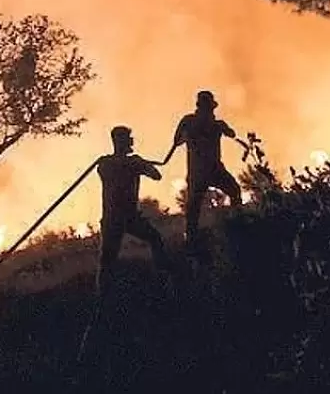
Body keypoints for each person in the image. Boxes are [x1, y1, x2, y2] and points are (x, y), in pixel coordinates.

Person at [89, 125, 171, 290]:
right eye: (128, 138)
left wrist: (140, 164)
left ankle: (162, 276)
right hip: (118, 218)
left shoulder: (109, 163)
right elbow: (156, 175)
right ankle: (105, 295)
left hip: (125, 217)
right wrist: (138, 164)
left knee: (109, 260)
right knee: (108, 260)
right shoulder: (108, 164)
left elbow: (156, 175)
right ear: (120, 141)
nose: (131, 141)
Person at [162, 90, 243, 247]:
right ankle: (195, 237)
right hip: (204, 171)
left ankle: (233, 225)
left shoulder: (198, 122)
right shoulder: (195, 122)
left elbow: (231, 133)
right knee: (196, 205)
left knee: (197, 205)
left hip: (206, 170)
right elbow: (177, 140)